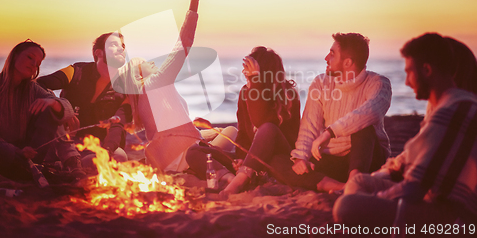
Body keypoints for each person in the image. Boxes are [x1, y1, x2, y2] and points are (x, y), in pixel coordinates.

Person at [334, 33, 477, 228]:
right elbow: (408, 161)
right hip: (427, 195)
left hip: (448, 214)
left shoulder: (453, 111)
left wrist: (379, 197)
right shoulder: (447, 107)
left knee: (346, 206)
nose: (407, 82)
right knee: (359, 183)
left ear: (427, 70)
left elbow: (415, 188)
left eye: (409, 72)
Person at [186, 46, 301, 194]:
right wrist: (241, 160)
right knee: (194, 151)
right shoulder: (245, 91)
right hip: (250, 162)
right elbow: (243, 135)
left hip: (276, 159)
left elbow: (261, 122)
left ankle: (239, 182)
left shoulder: (288, 95)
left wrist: (255, 82)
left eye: (249, 69)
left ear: (263, 71)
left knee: (267, 128)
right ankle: (230, 179)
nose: (244, 73)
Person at [116, 0, 203, 172]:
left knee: (219, 133)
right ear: (138, 75)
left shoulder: (138, 101)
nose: (153, 62)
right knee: (230, 132)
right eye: (146, 63)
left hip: (162, 159)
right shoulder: (157, 81)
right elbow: (183, 44)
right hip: (183, 155)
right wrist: (194, 3)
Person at [289, 33, 392, 192]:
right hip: (330, 159)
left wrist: (329, 133)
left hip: (367, 159)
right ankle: (342, 186)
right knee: (283, 162)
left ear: (348, 62)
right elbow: (309, 126)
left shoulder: (377, 83)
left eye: (332, 54)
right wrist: (300, 158)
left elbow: (369, 112)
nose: (326, 58)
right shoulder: (320, 83)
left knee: (364, 127)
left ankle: (353, 183)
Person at [0, 40, 81, 182]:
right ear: (14, 56)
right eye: (30, 57)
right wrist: (18, 151)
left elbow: (67, 107)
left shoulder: (32, 88)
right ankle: (37, 173)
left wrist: (52, 102)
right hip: (4, 156)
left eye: (38, 63)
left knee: (50, 107)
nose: (34, 65)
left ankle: (39, 169)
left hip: (32, 154)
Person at [37, 29, 131, 165]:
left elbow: (118, 126)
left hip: (100, 147)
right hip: (65, 141)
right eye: (113, 45)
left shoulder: (125, 87)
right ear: (98, 53)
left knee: (120, 156)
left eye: (122, 46)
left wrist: (107, 151)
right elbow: (39, 84)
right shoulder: (75, 71)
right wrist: (62, 108)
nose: (120, 49)